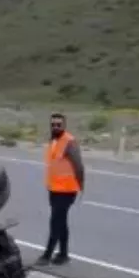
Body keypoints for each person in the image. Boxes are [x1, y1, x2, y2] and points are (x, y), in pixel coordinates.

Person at [37, 112, 85, 265]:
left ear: (64, 126)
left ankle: (47, 255)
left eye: (59, 124)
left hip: (67, 190)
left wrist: (81, 186)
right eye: (53, 124)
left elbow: (79, 166)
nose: (55, 127)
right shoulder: (53, 141)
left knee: (55, 222)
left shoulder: (69, 142)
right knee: (61, 222)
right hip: (55, 189)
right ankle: (63, 254)